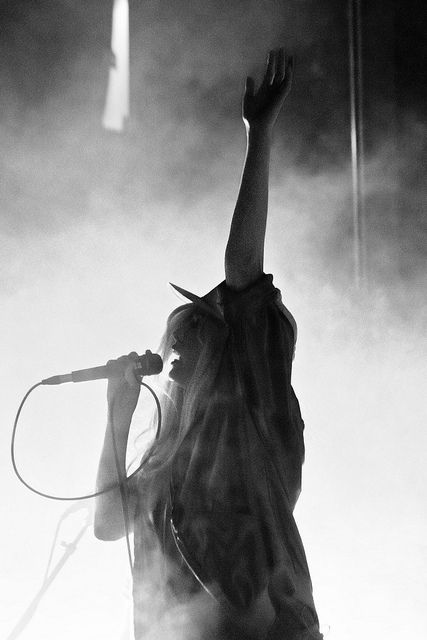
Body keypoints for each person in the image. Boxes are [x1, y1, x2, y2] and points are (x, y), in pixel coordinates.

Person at [94, 48, 323, 640]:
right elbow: (107, 523)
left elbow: (242, 270)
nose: (175, 358)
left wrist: (260, 136)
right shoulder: (167, 457)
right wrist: (116, 420)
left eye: (194, 339)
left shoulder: (255, 420)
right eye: (176, 342)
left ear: (225, 355)